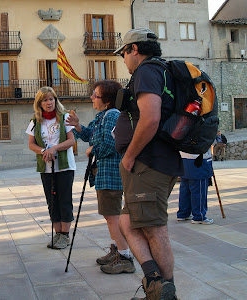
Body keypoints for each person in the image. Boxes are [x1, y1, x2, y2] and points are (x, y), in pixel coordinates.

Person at [114, 28, 183, 299]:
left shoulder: (146, 71)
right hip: (156, 161)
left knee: (154, 228)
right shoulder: (163, 71)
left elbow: (151, 118)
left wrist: (130, 155)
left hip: (147, 163)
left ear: (134, 49)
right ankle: (156, 283)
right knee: (127, 221)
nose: (123, 59)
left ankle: (166, 292)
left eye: (123, 53)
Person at [67, 80, 135, 275]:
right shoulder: (103, 116)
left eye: (95, 95)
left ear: (106, 100)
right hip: (105, 174)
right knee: (109, 215)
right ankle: (117, 250)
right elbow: (91, 134)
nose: (91, 98)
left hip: (111, 174)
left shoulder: (112, 116)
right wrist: (78, 126)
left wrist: (91, 150)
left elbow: (109, 145)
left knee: (112, 217)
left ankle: (125, 257)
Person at [26, 86, 76, 249]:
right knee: (52, 200)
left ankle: (65, 235)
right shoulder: (35, 121)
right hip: (46, 167)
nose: (49, 103)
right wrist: (43, 151)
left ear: (56, 100)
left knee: (64, 199)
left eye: (51, 99)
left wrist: (54, 148)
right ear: (39, 104)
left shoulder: (65, 117)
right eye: (45, 100)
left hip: (64, 166)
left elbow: (71, 141)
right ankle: (57, 234)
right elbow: (31, 144)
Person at [177, 150, 214, 224]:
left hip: (183, 158)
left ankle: (183, 213)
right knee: (199, 190)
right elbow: (212, 141)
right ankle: (199, 216)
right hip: (198, 160)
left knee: (185, 189)